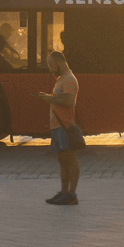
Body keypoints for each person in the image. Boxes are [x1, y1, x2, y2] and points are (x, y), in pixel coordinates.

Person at [36, 51, 80, 205]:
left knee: (70, 159)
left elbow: (68, 101)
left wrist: (48, 98)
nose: (50, 68)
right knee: (62, 160)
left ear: (60, 62)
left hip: (65, 126)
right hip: (57, 126)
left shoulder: (69, 79)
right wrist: (49, 97)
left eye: (51, 64)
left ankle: (72, 195)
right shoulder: (62, 79)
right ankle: (64, 192)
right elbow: (60, 99)